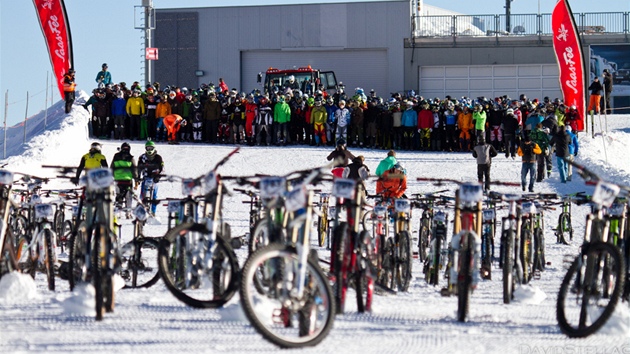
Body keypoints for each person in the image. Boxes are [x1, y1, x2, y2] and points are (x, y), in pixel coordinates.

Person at [137, 141, 164, 215]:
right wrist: (138, 177)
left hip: (154, 178)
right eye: (148, 148)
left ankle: (153, 212)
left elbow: (162, 168)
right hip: (146, 177)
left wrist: (159, 176)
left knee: (154, 196)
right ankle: (141, 211)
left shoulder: (158, 158)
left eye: (151, 148)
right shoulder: (142, 157)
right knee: (142, 195)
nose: (149, 150)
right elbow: (138, 168)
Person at [111, 142, 138, 217]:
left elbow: (112, 167)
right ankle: (128, 212)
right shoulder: (131, 158)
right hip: (128, 180)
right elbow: (134, 169)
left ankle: (118, 211)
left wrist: (112, 176)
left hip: (117, 180)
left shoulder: (116, 156)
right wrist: (136, 179)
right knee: (128, 196)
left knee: (119, 195)